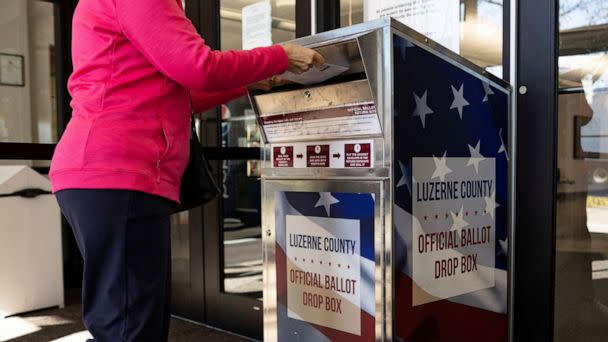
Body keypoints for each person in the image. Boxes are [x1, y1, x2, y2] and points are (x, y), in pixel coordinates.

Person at [49, 0, 324, 341]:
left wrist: (252, 82)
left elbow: (180, 91)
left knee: (125, 318)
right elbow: (198, 67)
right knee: (129, 327)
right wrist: (280, 55)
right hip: (120, 170)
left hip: (103, 172)